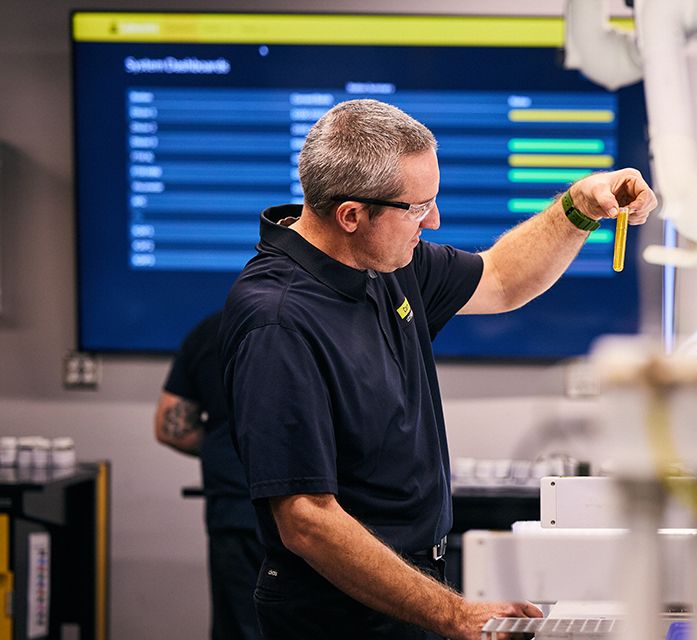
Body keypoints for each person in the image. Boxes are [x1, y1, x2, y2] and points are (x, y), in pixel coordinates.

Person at [219, 99, 656, 640]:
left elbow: (500, 278)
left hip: (409, 588)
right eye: (418, 207)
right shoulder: (279, 320)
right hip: (339, 616)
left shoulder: (383, 263)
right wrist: (453, 612)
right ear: (352, 215)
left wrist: (579, 207)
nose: (434, 221)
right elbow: (306, 518)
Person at [155, 310, 263, 640]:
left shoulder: (212, 330)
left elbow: (171, 429)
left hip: (236, 511)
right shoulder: (327, 321)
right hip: (322, 513)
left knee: (240, 628)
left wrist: (228, 450)